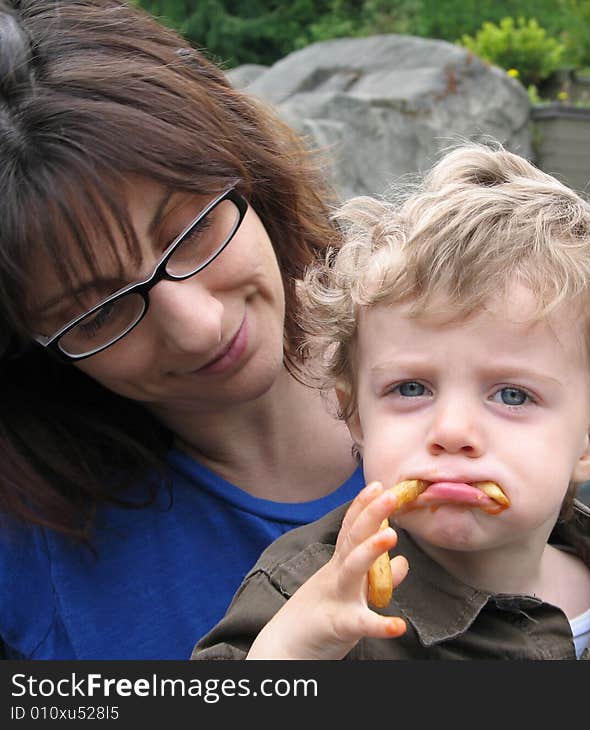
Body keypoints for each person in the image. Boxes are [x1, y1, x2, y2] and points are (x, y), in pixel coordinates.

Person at [191, 143, 590, 660]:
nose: (452, 430)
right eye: (410, 388)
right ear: (355, 415)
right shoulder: (311, 594)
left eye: (512, 395)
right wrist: (290, 651)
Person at [0, 0, 365, 659]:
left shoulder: (470, 361)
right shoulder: (33, 562)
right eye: (100, 310)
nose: (197, 327)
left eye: (191, 230)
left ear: (244, 163)